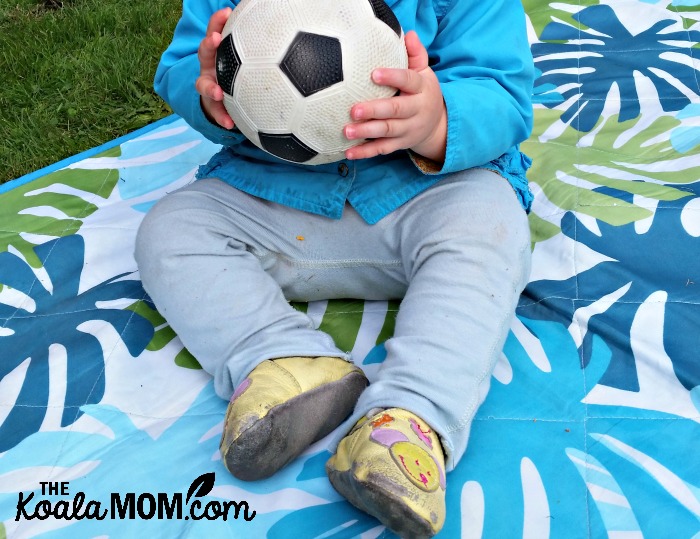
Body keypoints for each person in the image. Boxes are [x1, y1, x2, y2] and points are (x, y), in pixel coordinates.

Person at [135, 0, 534, 536]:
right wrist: (207, 90)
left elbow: (504, 95)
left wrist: (437, 118)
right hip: (275, 197)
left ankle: (409, 416)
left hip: (422, 194)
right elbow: (183, 65)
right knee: (172, 227)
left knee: (491, 221)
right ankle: (286, 362)